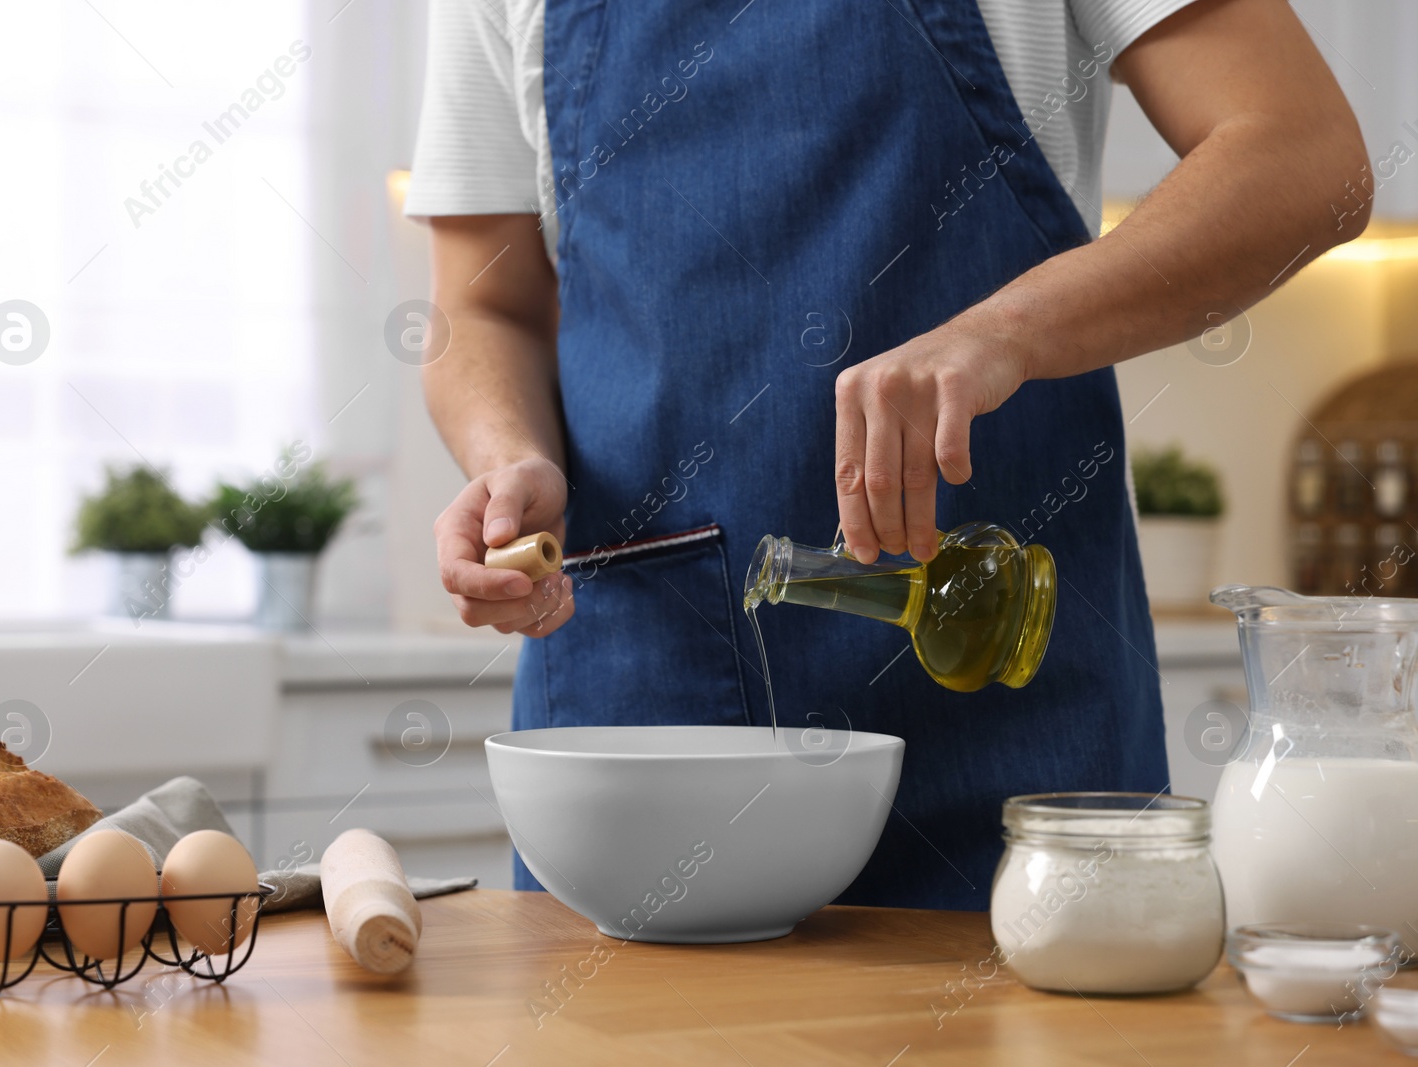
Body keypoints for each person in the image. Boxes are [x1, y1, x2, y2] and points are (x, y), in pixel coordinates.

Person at [405, 0, 1367, 909]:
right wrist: (510, 455)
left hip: (1002, 705)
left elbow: (1305, 152)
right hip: (641, 727)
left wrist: (1004, 332)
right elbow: (481, 303)